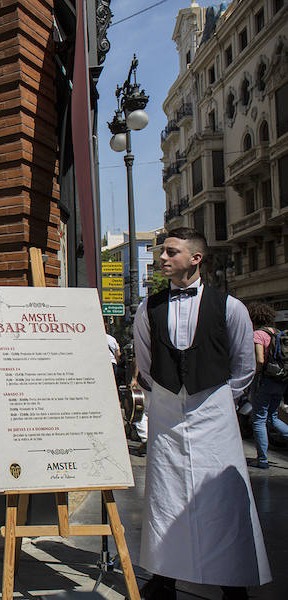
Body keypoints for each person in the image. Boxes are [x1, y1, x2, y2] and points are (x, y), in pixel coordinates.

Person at [133, 228, 270, 600]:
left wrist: (218, 398)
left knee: (222, 496)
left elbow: (243, 365)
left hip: (214, 410)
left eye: (171, 252)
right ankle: (164, 575)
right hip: (167, 411)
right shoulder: (149, 308)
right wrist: (166, 395)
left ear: (195, 258)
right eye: (162, 252)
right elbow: (144, 365)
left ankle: (233, 580)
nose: (162, 258)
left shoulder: (230, 306)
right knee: (166, 496)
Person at [246, 302, 288, 469]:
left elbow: (260, 359)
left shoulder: (257, 334)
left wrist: (255, 375)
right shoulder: (277, 332)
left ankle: (262, 460)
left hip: (265, 381)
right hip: (280, 380)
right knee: (272, 417)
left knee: (258, 420)